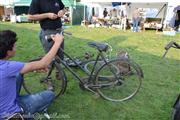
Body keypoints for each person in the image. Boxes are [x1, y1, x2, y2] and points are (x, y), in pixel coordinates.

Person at [0, 30, 64, 119]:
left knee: (18, 75)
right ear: (8, 52)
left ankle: (17, 99)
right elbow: (44, 63)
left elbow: (17, 69)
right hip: (8, 114)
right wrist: (57, 42)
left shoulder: (6, 66)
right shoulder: (8, 67)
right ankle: (23, 113)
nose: (16, 47)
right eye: (14, 46)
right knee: (49, 95)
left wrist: (33, 67)